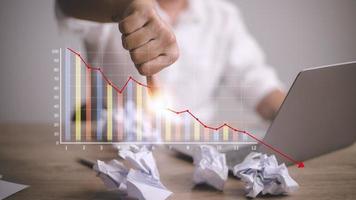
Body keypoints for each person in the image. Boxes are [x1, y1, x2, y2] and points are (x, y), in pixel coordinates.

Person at [56, 0, 285, 134]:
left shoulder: (223, 17)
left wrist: (293, 115)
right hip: (115, 148)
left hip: (192, 155)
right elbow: (68, 4)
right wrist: (128, 6)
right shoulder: (110, 6)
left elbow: (258, 83)